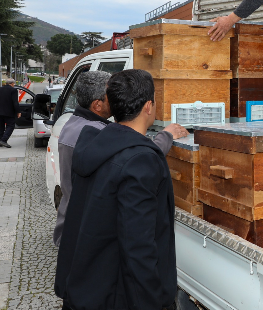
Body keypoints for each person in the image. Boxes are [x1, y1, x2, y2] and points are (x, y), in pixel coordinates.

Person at [55, 69, 176, 310]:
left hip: (87, 288)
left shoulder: (92, 142)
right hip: (115, 296)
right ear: (149, 106)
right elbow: (138, 245)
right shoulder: (140, 160)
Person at [52, 71, 187, 247]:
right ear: (97, 105)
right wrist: (166, 135)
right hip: (86, 232)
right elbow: (137, 157)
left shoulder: (74, 123)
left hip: (75, 223)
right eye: (112, 96)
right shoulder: (95, 135)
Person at [0, 78, 20, 148]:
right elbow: (15, 102)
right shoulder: (13, 90)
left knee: (1, 127)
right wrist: (18, 111)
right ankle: (3, 140)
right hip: (9, 112)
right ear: (12, 84)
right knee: (11, 126)